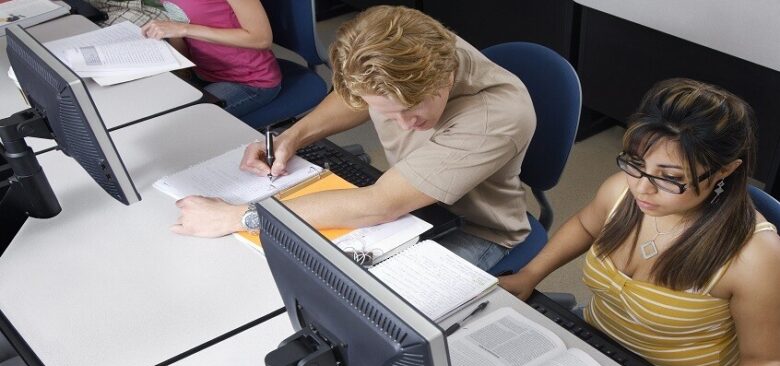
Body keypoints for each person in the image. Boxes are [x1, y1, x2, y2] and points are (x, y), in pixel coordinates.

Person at [500, 78, 780, 366]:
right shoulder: (623, 191)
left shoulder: (754, 255)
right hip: (592, 343)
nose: (641, 187)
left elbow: (764, 359)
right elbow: (585, 225)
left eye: (670, 178)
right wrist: (531, 273)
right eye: (636, 163)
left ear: (724, 171)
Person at [169, 5, 536, 270]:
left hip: (473, 227)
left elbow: (380, 205)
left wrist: (240, 217)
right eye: (386, 112)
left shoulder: (493, 116)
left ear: (445, 78)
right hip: (406, 196)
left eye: (410, 110)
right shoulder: (411, 44)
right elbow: (357, 97)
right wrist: (292, 137)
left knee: (374, 308)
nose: (402, 124)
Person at [140, 0, 281, 117]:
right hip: (201, 72)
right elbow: (179, 27)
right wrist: (181, 70)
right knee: (146, 108)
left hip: (249, 81)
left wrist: (184, 29)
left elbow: (262, 39)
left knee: (177, 122)